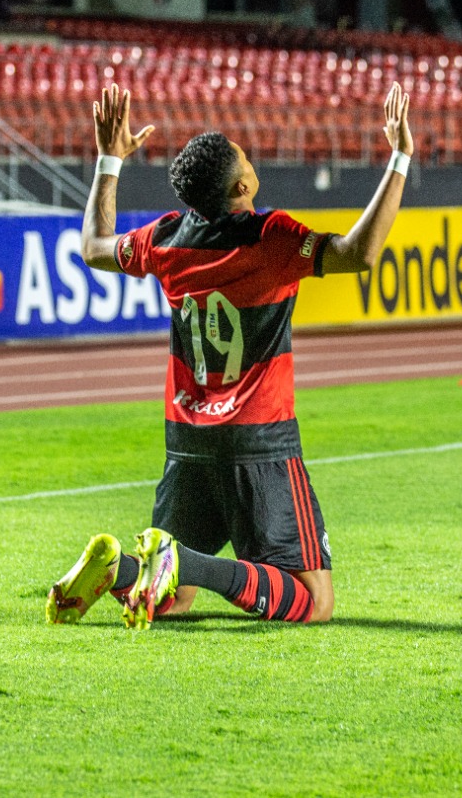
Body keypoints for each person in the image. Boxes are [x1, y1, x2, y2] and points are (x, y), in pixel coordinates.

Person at [46, 82, 413, 629]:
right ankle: (182, 561)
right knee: (313, 601)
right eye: (245, 156)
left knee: (172, 600)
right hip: (258, 439)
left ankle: (120, 570)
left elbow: (93, 247)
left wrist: (109, 160)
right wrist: (400, 158)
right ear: (242, 184)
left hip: (187, 438)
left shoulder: (166, 239)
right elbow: (360, 253)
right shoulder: (272, 236)